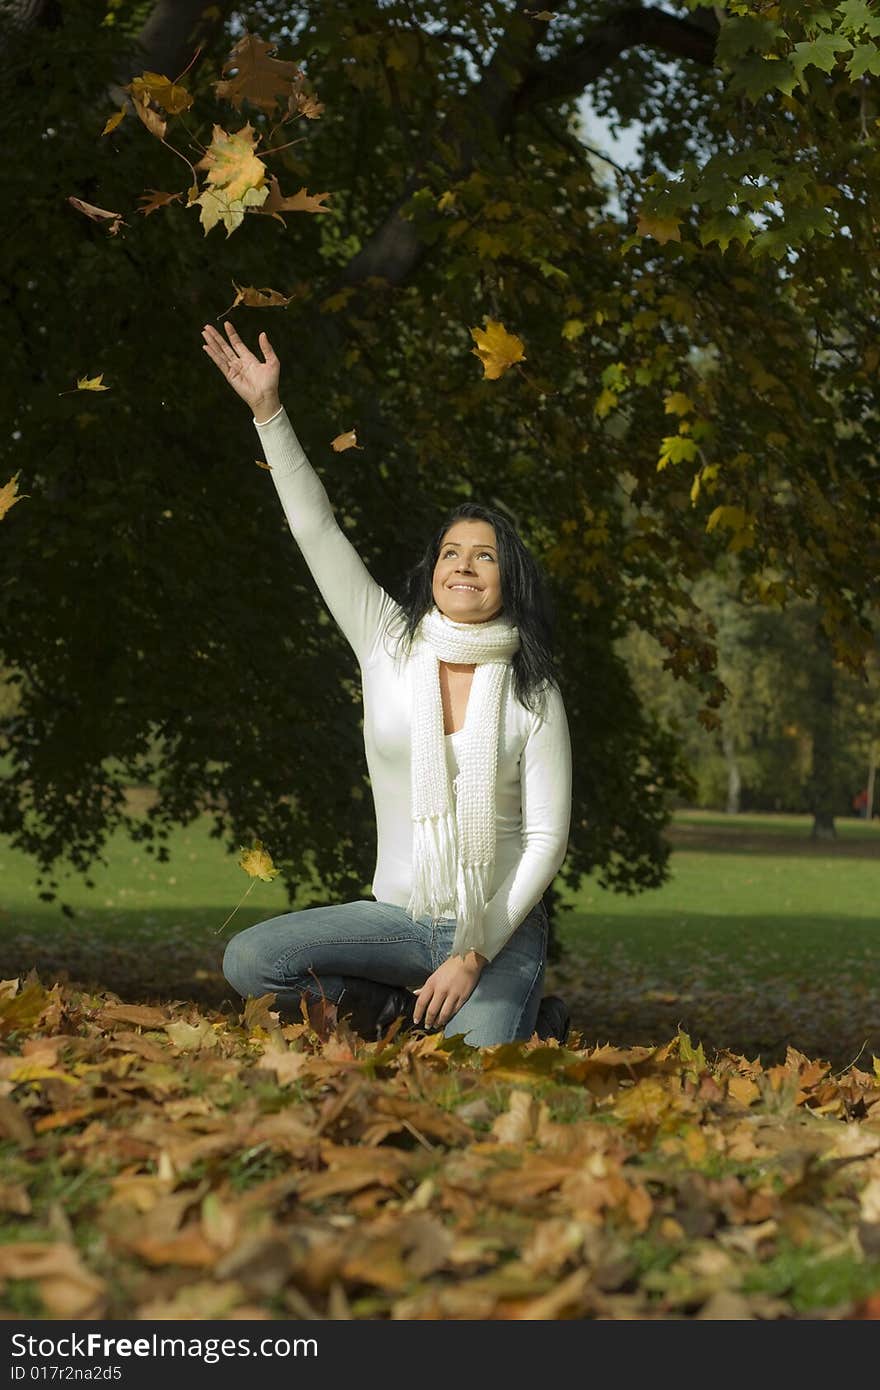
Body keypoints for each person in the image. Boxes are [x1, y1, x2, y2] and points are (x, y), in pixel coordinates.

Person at [202, 321, 573, 1047]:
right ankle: (394, 1009)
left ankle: (533, 1018)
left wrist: (471, 957)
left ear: (509, 578)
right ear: (433, 568)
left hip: (495, 929)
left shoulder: (534, 690)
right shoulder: (387, 642)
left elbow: (545, 839)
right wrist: (270, 415)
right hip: (398, 919)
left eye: (485, 556)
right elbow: (318, 530)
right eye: (451, 552)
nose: (463, 566)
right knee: (251, 960)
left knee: (473, 1061)